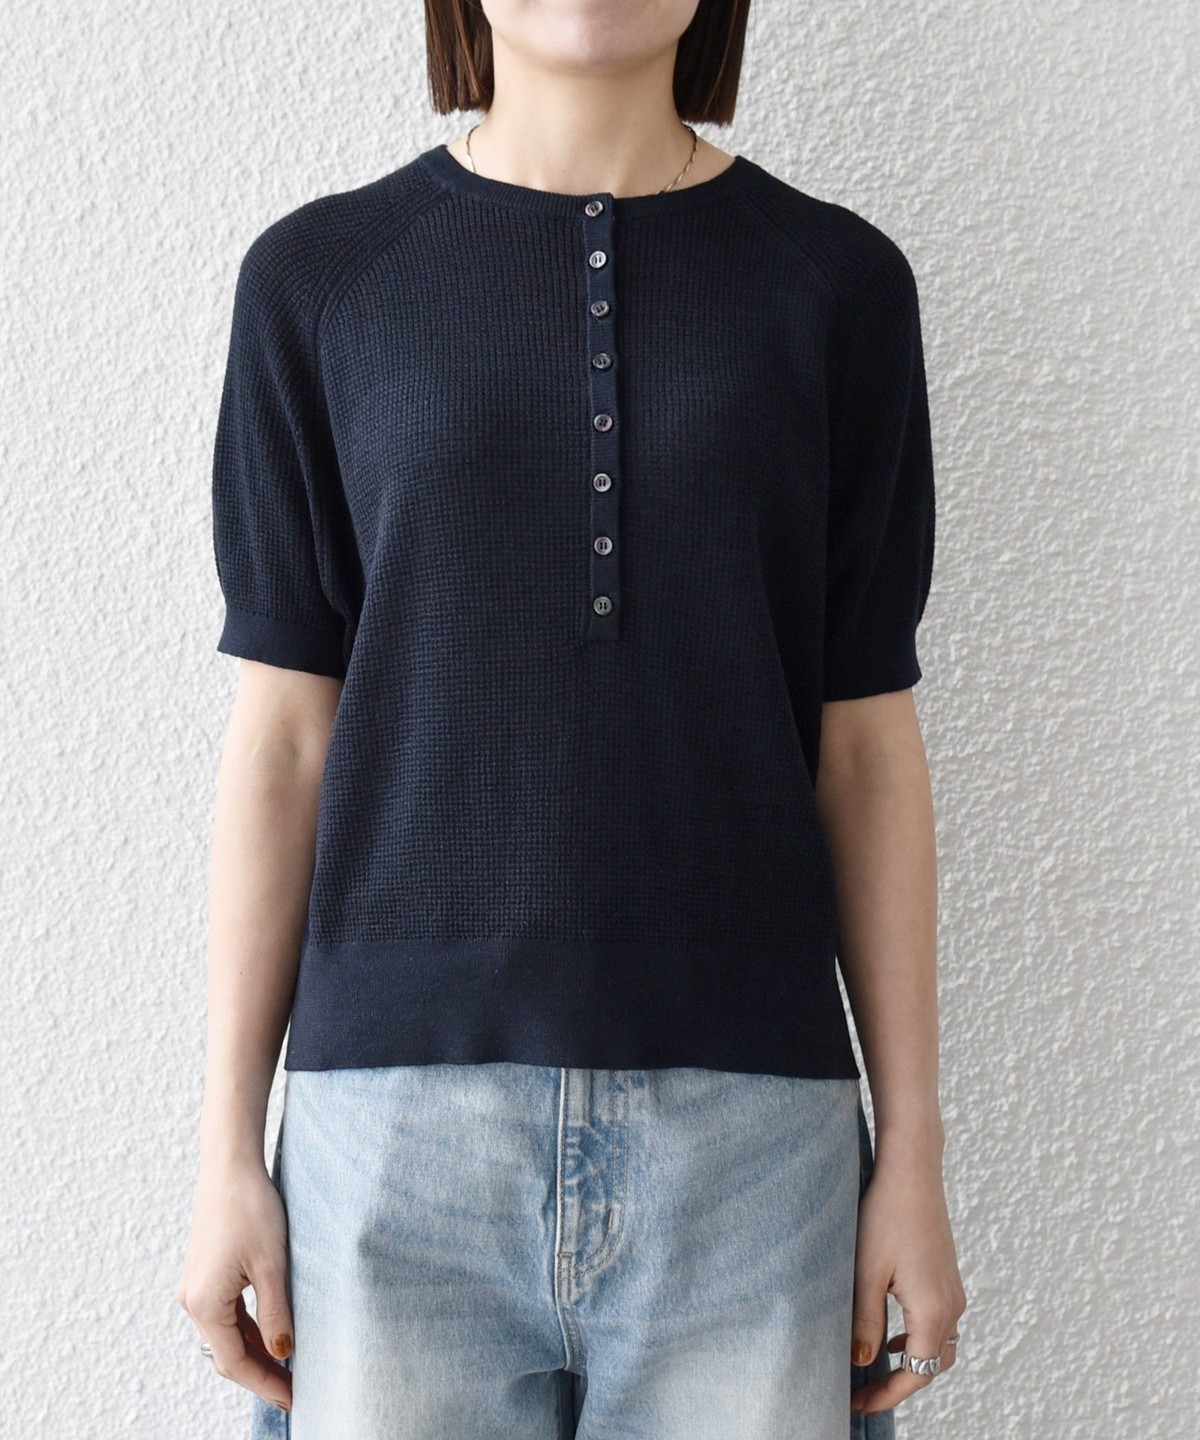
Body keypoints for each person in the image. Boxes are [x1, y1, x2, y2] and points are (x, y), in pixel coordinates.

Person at [177, 1, 967, 1435]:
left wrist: (910, 1143)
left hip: (756, 1147)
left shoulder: (838, 286)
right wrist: (228, 1141)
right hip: (389, 1142)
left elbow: (865, 748)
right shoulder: (319, 280)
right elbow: (284, 741)